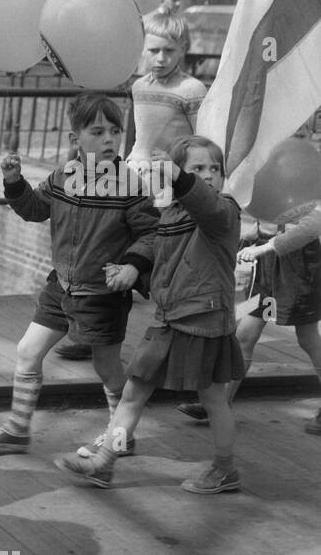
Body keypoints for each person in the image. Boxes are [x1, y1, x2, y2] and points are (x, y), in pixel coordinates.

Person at [0, 94, 159, 458]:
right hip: (62, 286)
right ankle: (18, 429)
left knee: (106, 367)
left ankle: (121, 432)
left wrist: (134, 266)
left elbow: (151, 233)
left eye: (115, 131)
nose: (109, 139)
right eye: (97, 131)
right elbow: (35, 209)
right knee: (27, 351)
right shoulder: (64, 176)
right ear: (76, 140)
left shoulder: (130, 185)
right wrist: (15, 183)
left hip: (101, 294)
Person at [56, 136, 244, 492]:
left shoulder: (225, 211)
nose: (208, 176)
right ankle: (104, 463)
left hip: (203, 318)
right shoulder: (172, 212)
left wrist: (181, 177)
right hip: (170, 317)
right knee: (133, 392)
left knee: (213, 398)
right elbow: (165, 263)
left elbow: (209, 209)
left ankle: (225, 469)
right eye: (198, 168)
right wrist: (130, 271)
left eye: (214, 169)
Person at [177, 198, 321, 435]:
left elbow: (311, 227)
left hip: (299, 269)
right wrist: (248, 235)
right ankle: (220, 405)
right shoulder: (276, 168)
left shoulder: (312, 173)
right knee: (245, 334)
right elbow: (263, 216)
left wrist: (263, 247)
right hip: (270, 268)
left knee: (307, 337)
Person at [128, 12, 206, 162]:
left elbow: (200, 140)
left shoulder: (192, 89)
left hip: (172, 174)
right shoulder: (138, 86)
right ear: (142, 48)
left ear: (182, 50)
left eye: (169, 51)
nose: (161, 58)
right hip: (137, 171)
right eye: (154, 50)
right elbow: (142, 138)